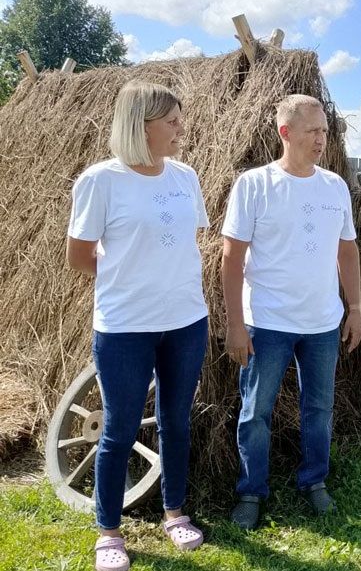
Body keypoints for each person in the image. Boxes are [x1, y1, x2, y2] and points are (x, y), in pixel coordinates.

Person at [67, 80, 208, 571]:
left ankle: (175, 513)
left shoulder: (185, 176)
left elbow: (184, 241)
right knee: (120, 428)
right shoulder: (100, 181)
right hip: (125, 326)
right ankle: (109, 532)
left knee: (176, 421)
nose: (181, 129)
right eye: (171, 121)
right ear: (140, 125)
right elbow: (79, 256)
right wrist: (129, 280)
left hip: (187, 320)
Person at [222, 94, 361, 528]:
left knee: (319, 409)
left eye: (325, 131)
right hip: (267, 322)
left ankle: (314, 481)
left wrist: (355, 308)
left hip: (322, 323)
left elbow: (347, 251)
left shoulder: (334, 186)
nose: (321, 139)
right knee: (256, 411)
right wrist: (235, 324)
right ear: (285, 132)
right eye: (312, 131)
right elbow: (231, 257)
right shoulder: (254, 185)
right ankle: (251, 491)